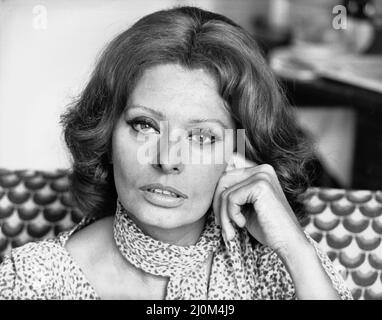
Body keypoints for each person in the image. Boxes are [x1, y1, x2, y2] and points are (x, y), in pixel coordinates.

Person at [0, 6, 353, 300]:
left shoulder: (277, 265)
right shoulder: (33, 280)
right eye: (145, 126)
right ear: (106, 133)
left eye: (201, 137)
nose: (167, 159)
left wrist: (295, 248)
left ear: (238, 153)